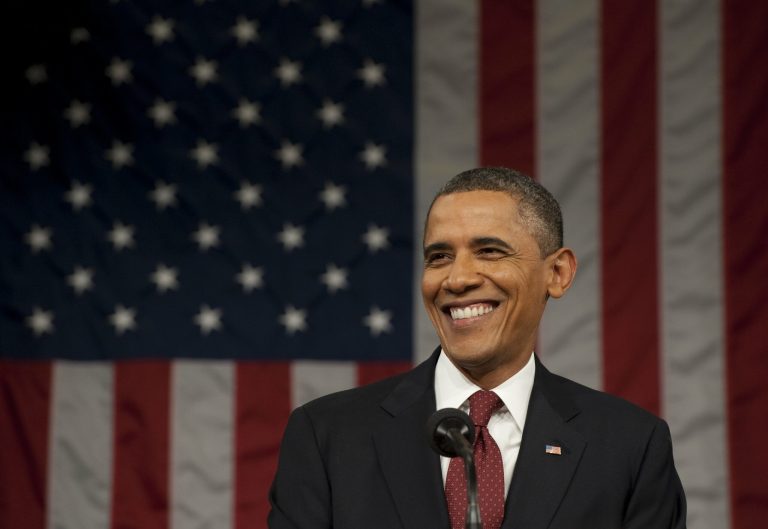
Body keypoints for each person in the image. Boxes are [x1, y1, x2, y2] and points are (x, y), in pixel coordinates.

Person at [268, 167, 686, 529]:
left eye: (489, 251)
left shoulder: (629, 445)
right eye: (438, 257)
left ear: (557, 273)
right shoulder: (328, 436)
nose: (456, 279)